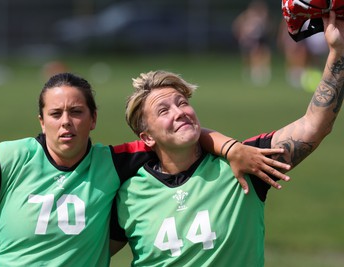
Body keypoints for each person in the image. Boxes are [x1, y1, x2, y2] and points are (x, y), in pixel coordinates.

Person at [0, 72, 288, 266]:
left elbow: (179, 136)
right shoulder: (10, 158)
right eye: (56, 114)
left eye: (77, 112)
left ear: (93, 119)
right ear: (41, 120)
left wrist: (230, 148)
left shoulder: (114, 162)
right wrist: (11, 239)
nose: (67, 123)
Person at [108, 12, 344, 266]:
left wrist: (338, 51)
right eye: (164, 111)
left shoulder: (245, 164)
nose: (179, 113)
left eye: (183, 103)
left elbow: (313, 125)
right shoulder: (129, 193)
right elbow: (87, 251)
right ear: (147, 138)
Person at [232, 0, 272, 86]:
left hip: (259, 38)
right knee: (249, 56)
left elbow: (267, 27)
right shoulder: (246, 15)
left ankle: (262, 71)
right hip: (248, 38)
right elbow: (237, 25)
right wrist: (241, 35)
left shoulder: (262, 16)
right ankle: (252, 71)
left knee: (263, 53)